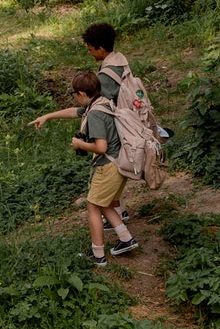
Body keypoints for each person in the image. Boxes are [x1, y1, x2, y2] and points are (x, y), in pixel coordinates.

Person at [29, 71, 139, 265]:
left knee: (93, 206)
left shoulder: (95, 114)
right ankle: (126, 239)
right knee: (103, 204)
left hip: (107, 168)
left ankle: (98, 256)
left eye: (74, 93)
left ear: (81, 93)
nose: (74, 97)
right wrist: (47, 116)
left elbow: (100, 147)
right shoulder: (100, 102)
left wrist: (80, 145)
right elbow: (74, 112)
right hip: (118, 165)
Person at [81, 22, 132, 226]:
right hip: (124, 120)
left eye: (91, 49)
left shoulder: (106, 75)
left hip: (116, 128)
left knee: (108, 175)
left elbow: (100, 105)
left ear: (100, 48)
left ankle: (117, 214)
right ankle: (119, 211)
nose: (90, 53)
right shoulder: (120, 60)